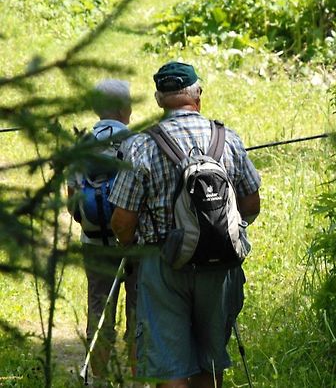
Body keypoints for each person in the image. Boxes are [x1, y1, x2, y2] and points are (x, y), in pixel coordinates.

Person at [108, 62, 261, 388]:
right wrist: (219, 231)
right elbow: (251, 204)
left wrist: (135, 250)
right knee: (211, 362)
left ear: (159, 99)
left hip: (163, 265)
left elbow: (122, 221)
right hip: (220, 265)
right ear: (198, 95)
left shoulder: (141, 146)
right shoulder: (227, 139)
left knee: (170, 368)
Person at [67, 79, 138, 383]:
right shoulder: (137, 142)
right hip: (136, 244)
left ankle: (98, 378)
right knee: (139, 311)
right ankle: (140, 378)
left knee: (99, 309)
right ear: (126, 109)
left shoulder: (81, 144)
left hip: (94, 242)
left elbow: (72, 202)